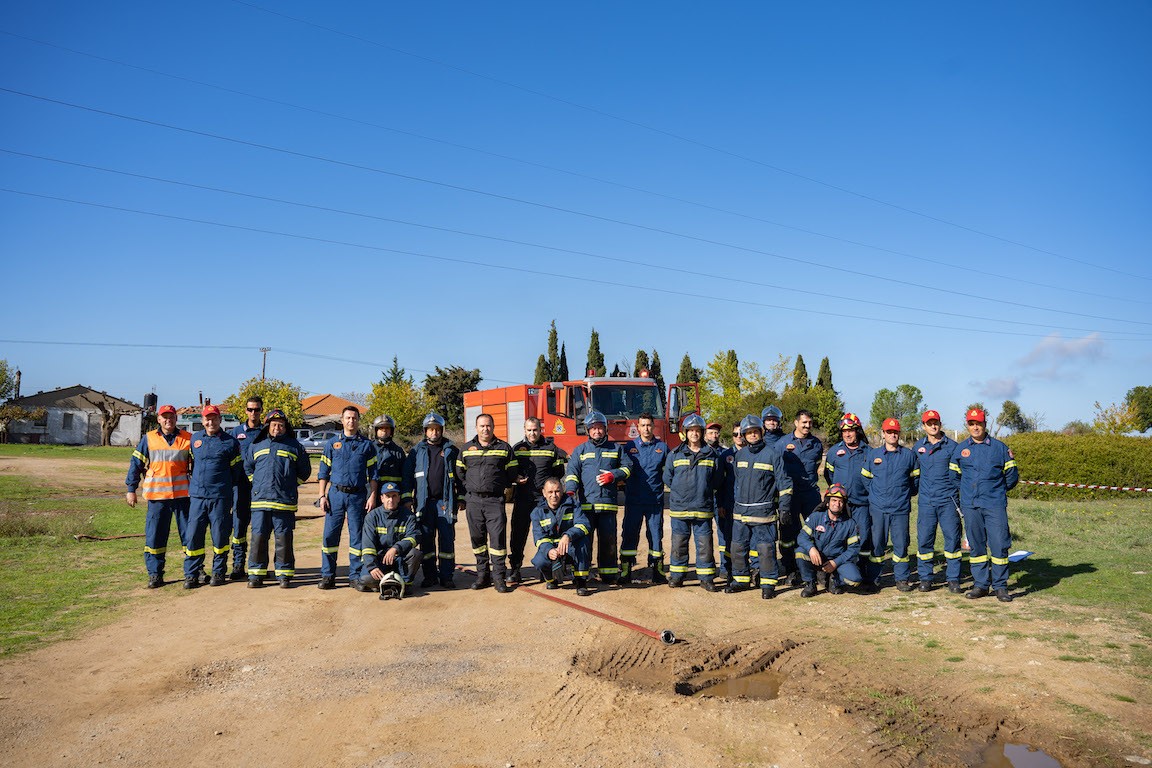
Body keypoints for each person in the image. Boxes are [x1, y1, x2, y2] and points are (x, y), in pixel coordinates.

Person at [952, 408, 1019, 602]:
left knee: (999, 545)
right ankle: (980, 585)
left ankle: (1000, 586)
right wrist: (966, 493)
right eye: (971, 424)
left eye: (978, 423)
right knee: (976, 547)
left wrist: (996, 491)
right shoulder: (961, 449)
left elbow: (1012, 476)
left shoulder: (1000, 448)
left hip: (994, 504)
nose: (975, 427)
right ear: (968, 425)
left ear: (984, 425)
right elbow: (954, 476)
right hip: (971, 505)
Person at [564, 410, 634, 588]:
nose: (597, 432)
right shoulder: (580, 450)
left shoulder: (616, 448)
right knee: (583, 542)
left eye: (600, 428)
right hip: (586, 506)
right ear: (588, 431)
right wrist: (571, 492)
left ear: (605, 429)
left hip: (608, 506)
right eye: (593, 429)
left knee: (608, 541)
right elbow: (572, 473)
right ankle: (581, 575)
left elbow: (628, 467)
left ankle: (608, 574)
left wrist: (614, 475)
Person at [125, 404, 192, 588]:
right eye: (164, 416)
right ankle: (155, 574)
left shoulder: (188, 438)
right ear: (159, 419)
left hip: (182, 497)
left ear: (176, 419)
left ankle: (193, 572)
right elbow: (136, 464)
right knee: (155, 537)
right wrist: (131, 489)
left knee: (189, 536)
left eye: (171, 416)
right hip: (157, 498)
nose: (168, 419)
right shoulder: (148, 439)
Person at [727, 415, 793, 599]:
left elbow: (785, 483)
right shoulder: (739, 455)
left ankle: (768, 584)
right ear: (744, 435)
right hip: (741, 513)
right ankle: (740, 580)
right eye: (749, 433)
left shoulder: (772, 454)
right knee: (738, 548)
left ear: (761, 432)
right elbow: (737, 483)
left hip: (763, 513)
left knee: (765, 550)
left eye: (755, 431)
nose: (752, 435)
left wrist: (785, 508)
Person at [244, 409, 312, 588]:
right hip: (260, 502)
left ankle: (284, 574)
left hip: (284, 503)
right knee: (258, 538)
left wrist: (289, 485)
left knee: (283, 539)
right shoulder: (256, 445)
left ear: (285, 427)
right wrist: (257, 484)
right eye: (274, 425)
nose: (277, 428)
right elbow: (248, 468)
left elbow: (305, 472)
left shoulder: (295, 446)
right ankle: (256, 575)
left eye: (281, 425)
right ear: (267, 426)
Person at [317, 406, 379, 591]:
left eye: (354, 418)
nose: (351, 421)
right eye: (348, 418)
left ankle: (355, 577)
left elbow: (373, 475)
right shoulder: (332, 444)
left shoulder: (367, 445)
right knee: (329, 536)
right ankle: (328, 576)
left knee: (357, 539)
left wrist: (373, 496)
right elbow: (323, 472)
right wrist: (322, 495)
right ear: (342, 420)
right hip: (335, 495)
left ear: (358, 420)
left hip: (358, 496)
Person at [457, 412, 519, 592]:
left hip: (494, 501)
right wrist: (469, 488)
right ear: (476, 428)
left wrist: (501, 485)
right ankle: (482, 576)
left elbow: (512, 473)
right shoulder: (466, 449)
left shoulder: (504, 448)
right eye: (482, 426)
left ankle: (499, 578)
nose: (485, 429)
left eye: (488, 425)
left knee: (497, 541)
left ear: (493, 427)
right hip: (473, 501)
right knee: (478, 540)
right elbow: (460, 473)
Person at [402, 413, 463, 589]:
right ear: (425, 431)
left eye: (437, 429)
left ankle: (446, 576)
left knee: (446, 540)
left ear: (442, 430)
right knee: (426, 540)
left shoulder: (451, 450)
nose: (434, 432)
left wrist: (461, 498)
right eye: (430, 429)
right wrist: (407, 499)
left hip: (445, 502)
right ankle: (429, 576)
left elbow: (460, 477)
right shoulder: (416, 451)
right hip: (423, 503)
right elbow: (407, 477)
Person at [186, 404, 243, 588]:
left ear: (220, 420)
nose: (211, 422)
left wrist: (227, 492)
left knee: (220, 537)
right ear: (203, 421)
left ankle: (219, 572)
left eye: (214, 418)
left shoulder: (231, 443)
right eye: (207, 419)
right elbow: (190, 466)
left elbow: (236, 473)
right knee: (194, 536)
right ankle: (192, 574)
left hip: (220, 498)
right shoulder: (195, 440)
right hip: (197, 498)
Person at [860, 418, 920, 593]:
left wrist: (905, 494)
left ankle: (901, 579)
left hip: (900, 508)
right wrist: (874, 494)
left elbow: (915, 480)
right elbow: (865, 477)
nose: (892, 435)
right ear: (883, 433)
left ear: (898, 434)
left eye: (895, 432)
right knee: (877, 544)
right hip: (878, 508)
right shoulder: (874, 455)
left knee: (901, 544)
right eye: (889, 432)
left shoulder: (909, 455)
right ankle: (874, 578)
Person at [663, 414, 722, 591]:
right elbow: (668, 478)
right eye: (691, 431)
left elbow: (717, 480)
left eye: (697, 431)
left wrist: (703, 492)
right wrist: (682, 492)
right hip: (680, 508)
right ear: (685, 433)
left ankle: (706, 578)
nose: (694, 434)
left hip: (702, 508)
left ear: (702, 433)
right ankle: (677, 576)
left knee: (705, 544)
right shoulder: (674, 454)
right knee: (678, 543)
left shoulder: (713, 455)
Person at [509, 416, 567, 584]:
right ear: (524, 430)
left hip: (543, 502)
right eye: (529, 430)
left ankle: (547, 567)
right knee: (518, 535)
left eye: (535, 430)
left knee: (548, 534)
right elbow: (512, 470)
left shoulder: (551, 448)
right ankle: (515, 568)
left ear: (540, 430)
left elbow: (558, 472)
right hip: (523, 498)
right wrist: (517, 477)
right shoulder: (517, 448)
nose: (532, 433)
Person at [912, 409, 963, 593]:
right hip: (926, 502)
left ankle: (953, 579)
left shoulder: (953, 447)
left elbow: (960, 474)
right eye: (929, 423)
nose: (933, 426)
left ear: (940, 424)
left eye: (936, 422)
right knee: (925, 540)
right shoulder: (918, 448)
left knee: (952, 541)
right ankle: (925, 578)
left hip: (948, 501)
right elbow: (914, 475)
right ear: (923, 426)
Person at [621, 412, 668, 585]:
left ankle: (657, 570)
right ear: (638, 427)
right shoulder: (629, 447)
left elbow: (669, 472)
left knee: (655, 535)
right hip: (633, 500)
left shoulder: (662, 448)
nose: (646, 428)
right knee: (629, 534)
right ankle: (626, 569)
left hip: (654, 500)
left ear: (653, 426)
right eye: (643, 425)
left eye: (649, 425)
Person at [778, 410, 824, 586]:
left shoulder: (816, 444)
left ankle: (817, 568)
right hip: (790, 495)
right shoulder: (783, 443)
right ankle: (791, 569)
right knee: (789, 534)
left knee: (817, 531)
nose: (807, 425)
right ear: (796, 423)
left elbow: (818, 465)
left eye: (809, 422)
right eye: (804, 422)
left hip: (810, 494)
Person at [823, 413, 871, 574]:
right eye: (844, 431)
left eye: (851, 430)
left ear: (857, 431)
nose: (847, 434)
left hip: (862, 504)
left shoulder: (869, 452)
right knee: (839, 539)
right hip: (841, 505)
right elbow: (828, 475)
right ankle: (840, 572)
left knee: (863, 538)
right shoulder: (834, 452)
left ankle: (863, 569)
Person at [796, 484, 863, 596]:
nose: (837, 504)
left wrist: (835, 563)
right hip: (818, 558)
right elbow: (802, 537)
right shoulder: (815, 517)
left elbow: (854, 549)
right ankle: (810, 584)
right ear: (827, 502)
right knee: (800, 553)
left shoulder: (850, 524)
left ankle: (835, 581)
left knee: (855, 580)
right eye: (834, 500)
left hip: (838, 561)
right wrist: (811, 548)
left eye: (840, 501)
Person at [359, 481, 421, 599]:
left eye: (394, 496)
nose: (390, 500)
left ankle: (405, 584)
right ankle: (387, 581)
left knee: (415, 554)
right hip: (380, 560)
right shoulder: (372, 517)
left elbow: (414, 537)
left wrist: (396, 548)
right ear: (381, 498)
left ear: (399, 498)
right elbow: (368, 545)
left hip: (400, 558)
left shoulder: (408, 516)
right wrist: (372, 567)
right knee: (365, 579)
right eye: (387, 496)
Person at [531, 477, 592, 595]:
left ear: (562, 490)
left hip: (569, 546)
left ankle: (580, 582)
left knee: (583, 542)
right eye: (550, 492)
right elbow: (539, 538)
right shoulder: (537, 512)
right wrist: (549, 550)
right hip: (552, 548)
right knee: (539, 561)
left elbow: (584, 525)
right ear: (543, 493)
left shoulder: (573, 505)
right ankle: (551, 580)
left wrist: (568, 536)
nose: (554, 495)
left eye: (557, 491)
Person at [228, 396, 264, 581]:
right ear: (245, 411)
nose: (253, 413)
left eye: (257, 410)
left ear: (261, 411)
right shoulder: (236, 433)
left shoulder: (266, 432)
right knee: (239, 526)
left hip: (261, 487)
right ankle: (238, 564)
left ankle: (258, 565)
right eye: (250, 409)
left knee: (260, 527)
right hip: (240, 486)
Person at [715, 423, 744, 582]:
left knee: (748, 539)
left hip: (747, 504)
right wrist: (720, 505)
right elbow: (719, 484)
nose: (738, 437)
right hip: (730, 504)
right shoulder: (725, 456)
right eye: (735, 434)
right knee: (729, 538)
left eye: (741, 433)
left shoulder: (752, 453)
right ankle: (727, 568)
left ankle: (749, 568)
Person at [371, 414, 406, 498]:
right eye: (381, 428)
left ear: (391, 431)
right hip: (372, 495)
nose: (384, 431)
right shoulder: (369, 449)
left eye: (387, 428)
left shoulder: (399, 451)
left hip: (392, 496)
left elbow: (405, 476)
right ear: (376, 430)